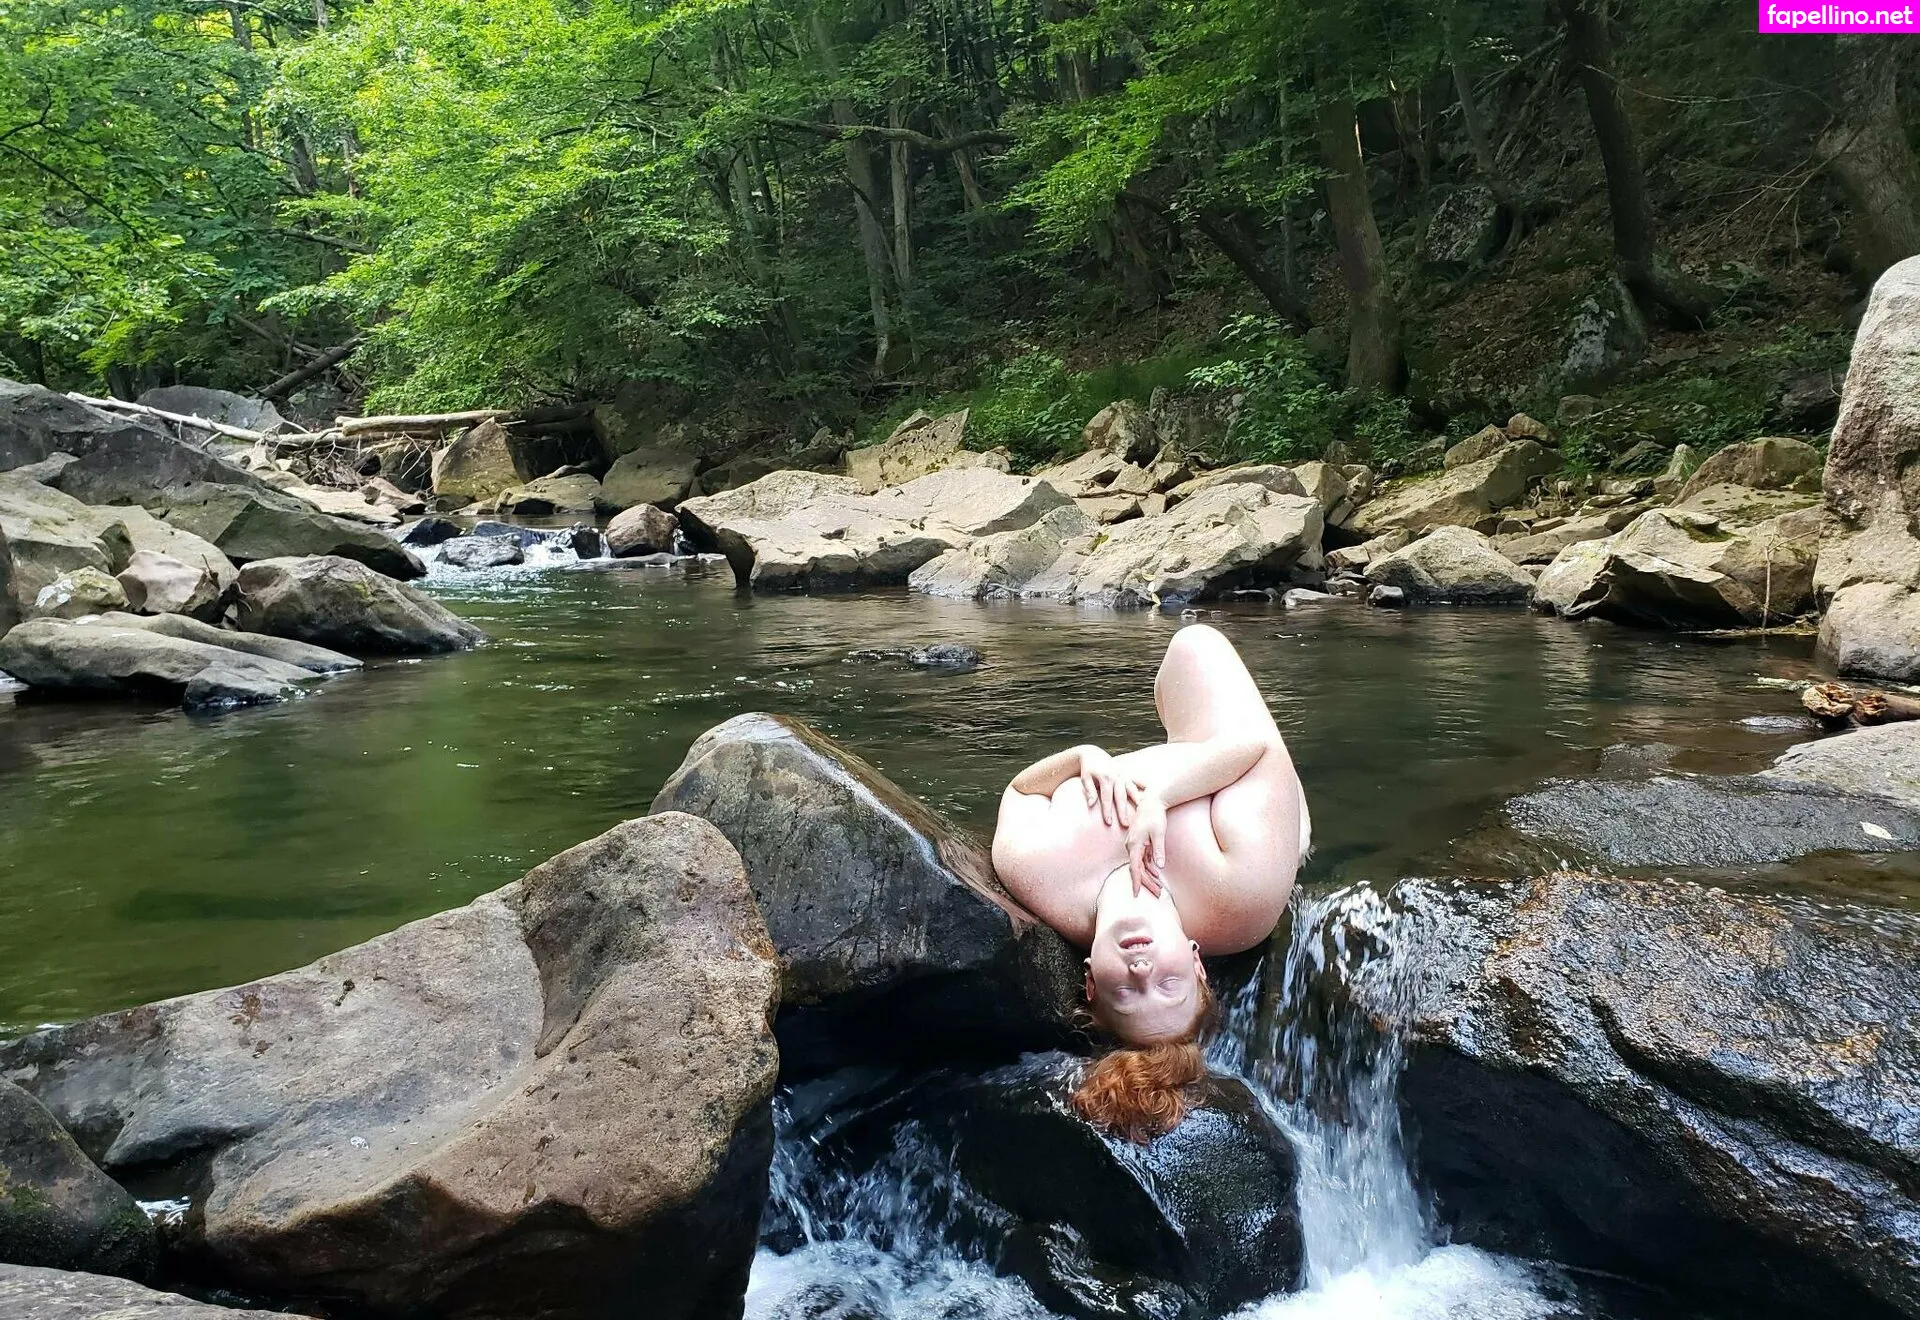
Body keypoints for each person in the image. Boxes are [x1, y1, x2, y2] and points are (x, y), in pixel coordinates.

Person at [991, 623, 1310, 1141]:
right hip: (1235, 775)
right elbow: (1259, 751)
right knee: (1195, 643)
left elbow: (1021, 792)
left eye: (1126, 991)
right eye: (1167, 984)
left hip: (1189, 767)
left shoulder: (1034, 872)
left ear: (1091, 982)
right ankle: (1294, 833)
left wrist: (1083, 758)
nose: (1141, 970)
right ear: (1197, 963)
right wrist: (1161, 798)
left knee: (1181, 662)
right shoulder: (1239, 900)